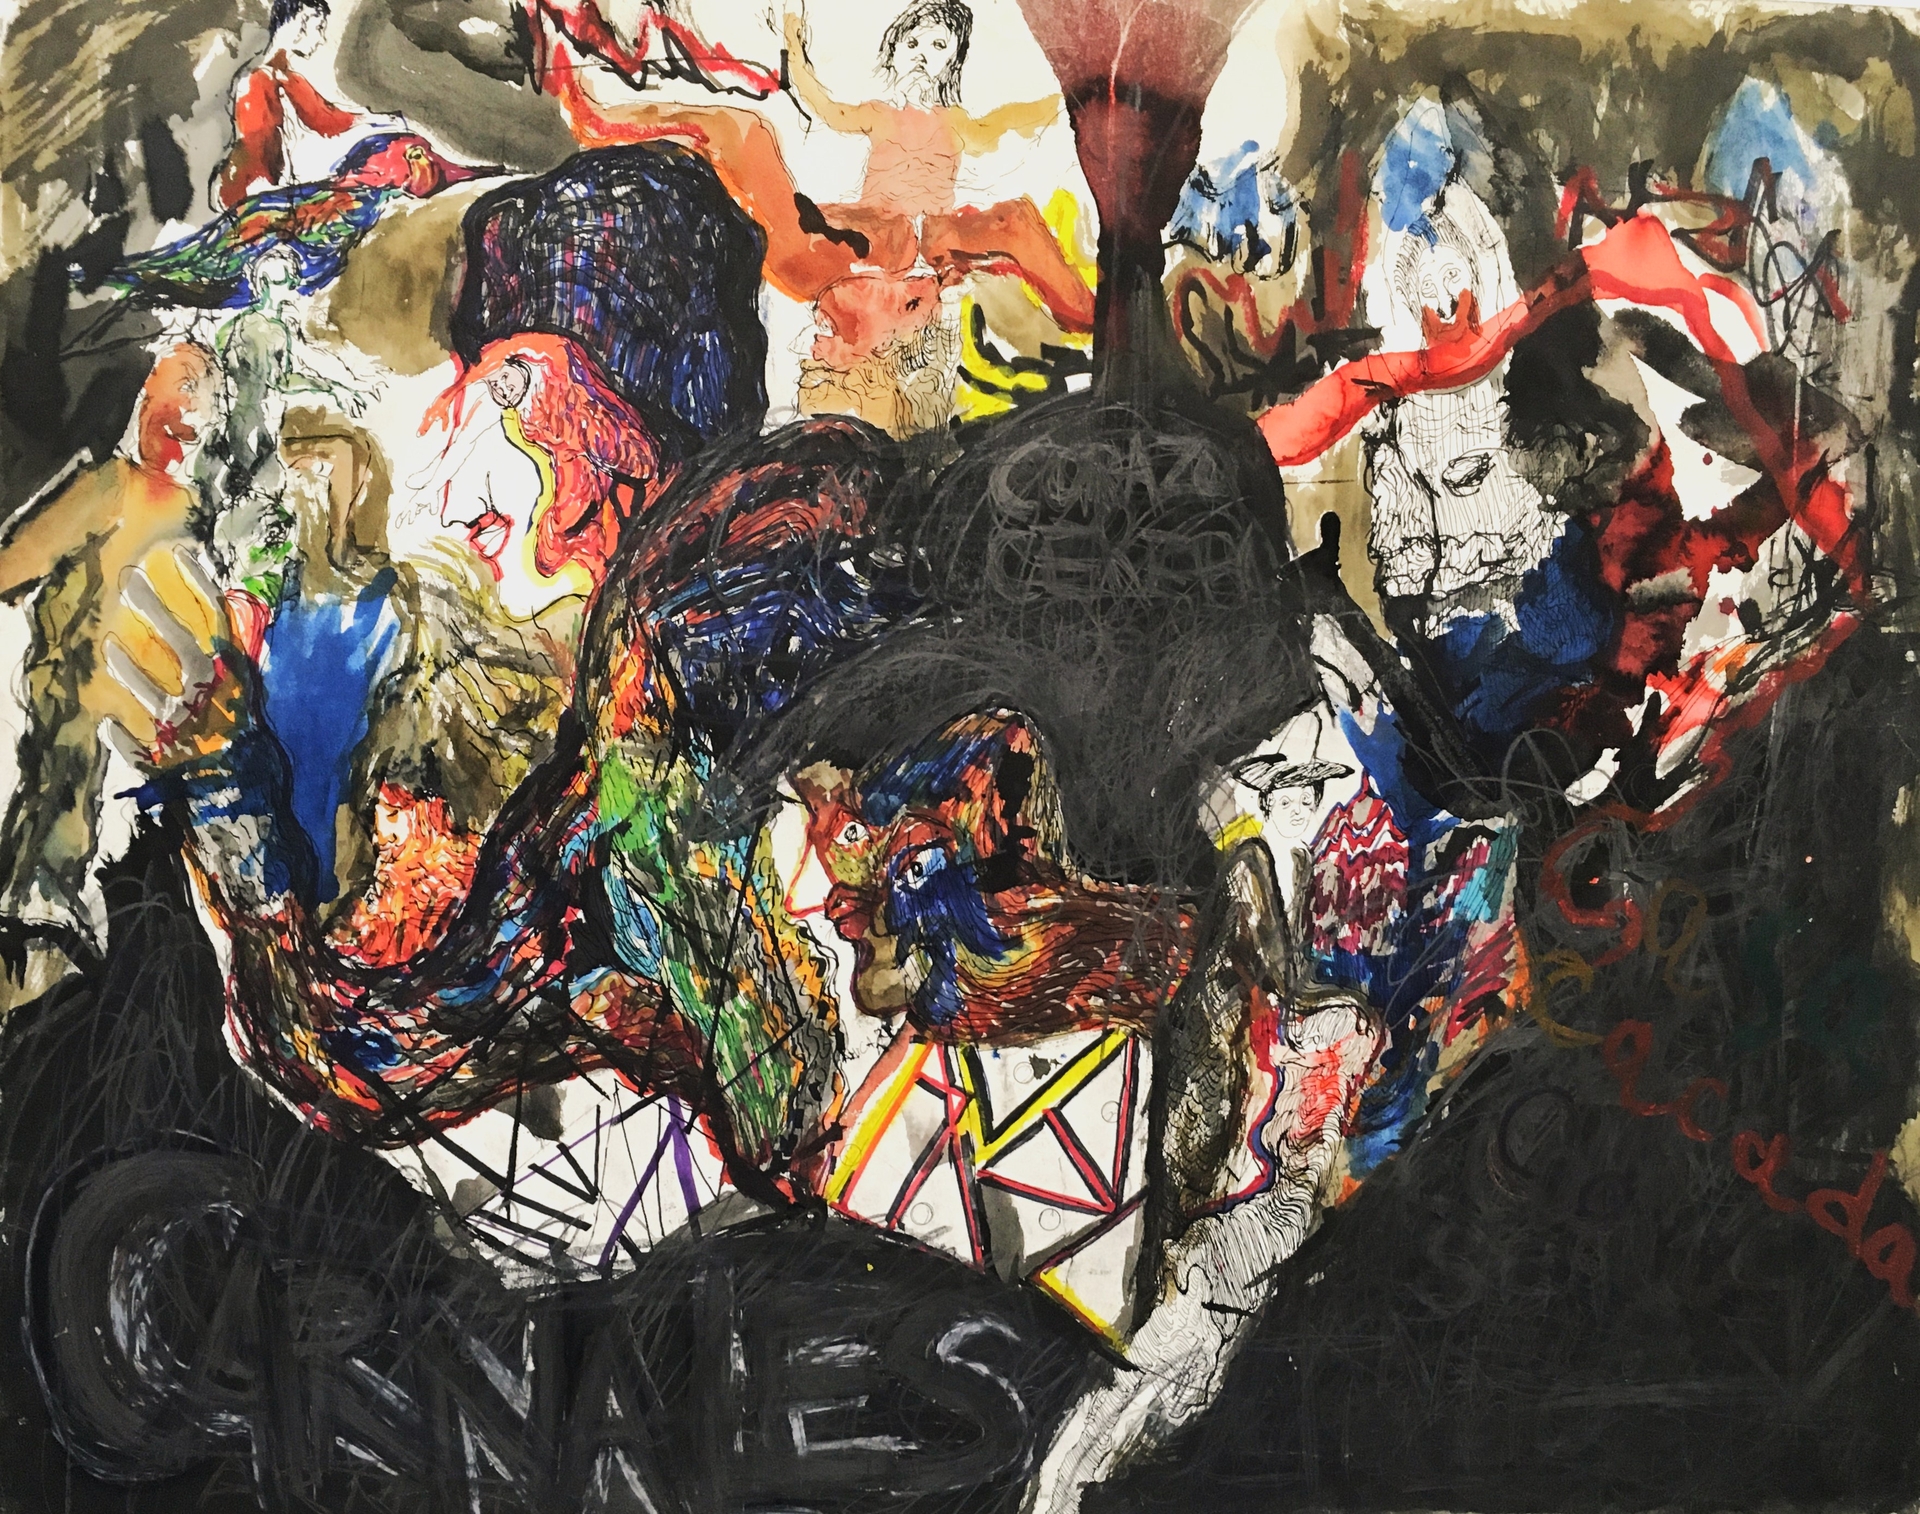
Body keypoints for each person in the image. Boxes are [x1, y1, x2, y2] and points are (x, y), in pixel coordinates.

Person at [538, 1, 1096, 334]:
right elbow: (821, 105)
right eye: (914, 42)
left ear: (953, 60)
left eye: (939, 44)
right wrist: (794, 46)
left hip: (920, 235)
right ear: (895, 50)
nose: (924, 52)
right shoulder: (877, 114)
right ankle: (605, 119)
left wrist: (1070, 95)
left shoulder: (956, 122)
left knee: (1012, 222)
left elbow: (1006, 123)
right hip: (877, 231)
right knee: (750, 138)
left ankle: (1092, 313)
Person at [0, 343, 218, 995]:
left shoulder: (189, 512)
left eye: (201, 392)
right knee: (54, 841)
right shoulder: (112, 485)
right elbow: (21, 559)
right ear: (144, 402)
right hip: (84, 714)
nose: (187, 406)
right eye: (178, 386)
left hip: (144, 737)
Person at [216, 0, 399, 210]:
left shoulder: (286, 78)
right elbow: (254, 151)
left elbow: (326, 118)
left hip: (269, 192)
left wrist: (375, 119)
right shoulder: (255, 80)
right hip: (245, 197)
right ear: (300, 22)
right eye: (319, 27)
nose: (321, 39)